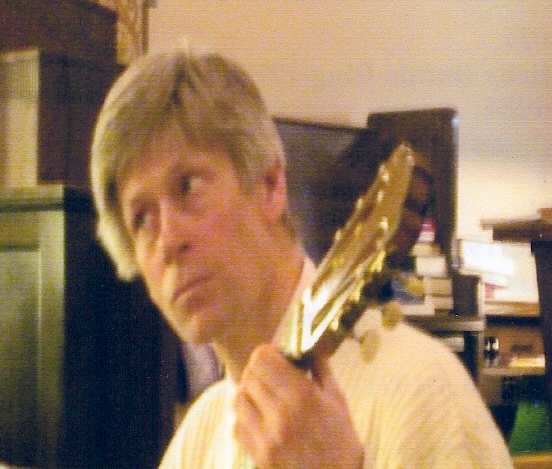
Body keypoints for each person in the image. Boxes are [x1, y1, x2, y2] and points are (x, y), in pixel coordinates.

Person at [90, 46, 513, 468]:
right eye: (141, 217)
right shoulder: (200, 434)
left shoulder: (422, 391)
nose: (167, 241)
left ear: (270, 184)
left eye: (188, 186)